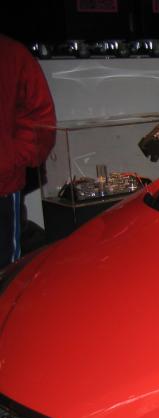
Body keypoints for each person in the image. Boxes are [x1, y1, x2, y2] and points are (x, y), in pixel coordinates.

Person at [0, 34, 56, 268]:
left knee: (4, 270)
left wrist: (11, 159)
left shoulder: (10, 54)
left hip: (2, 186)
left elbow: (39, 116)